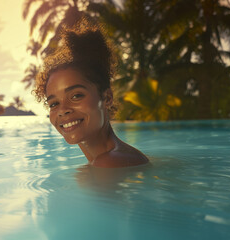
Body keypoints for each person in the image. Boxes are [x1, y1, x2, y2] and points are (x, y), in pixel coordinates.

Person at [34, 19, 149, 168]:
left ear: (107, 98)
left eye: (76, 96)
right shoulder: (112, 159)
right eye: (54, 103)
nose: (62, 110)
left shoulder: (109, 163)